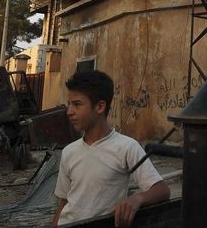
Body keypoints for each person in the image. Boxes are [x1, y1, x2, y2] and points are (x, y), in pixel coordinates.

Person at [52, 70, 170, 227]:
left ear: (100, 107)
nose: (69, 112)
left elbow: (162, 190)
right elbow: (64, 202)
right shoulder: (69, 152)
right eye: (69, 104)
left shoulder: (126, 147)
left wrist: (137, 199)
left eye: (77, 105)